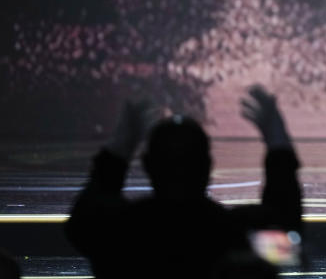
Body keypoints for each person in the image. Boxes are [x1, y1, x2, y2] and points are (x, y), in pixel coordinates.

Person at [64, 85, 301, 279]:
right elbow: (286, 234)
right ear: (208, 166)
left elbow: (84, 224)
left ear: (148, 166)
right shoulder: (233, 234)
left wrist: (119, 151)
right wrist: (277, 142)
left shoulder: (120, 233)